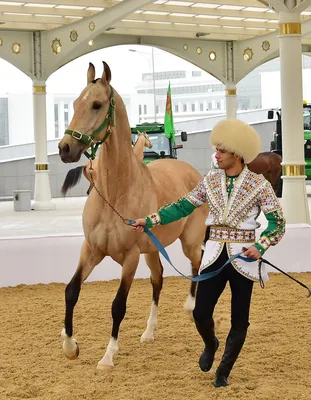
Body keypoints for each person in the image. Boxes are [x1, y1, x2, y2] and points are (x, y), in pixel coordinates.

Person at [131, 119, 286, 388]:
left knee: (240, 320)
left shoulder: (259, 185)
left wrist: (261, 246)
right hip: (213, 255)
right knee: (201, 313)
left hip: (245, 259)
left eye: (221, 151)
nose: (216, 155)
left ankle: (223, 371)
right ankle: (211, 342)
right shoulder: (210, 180)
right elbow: (182, 206)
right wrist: (151, 220)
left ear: (236, 154)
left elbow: (278, 222)